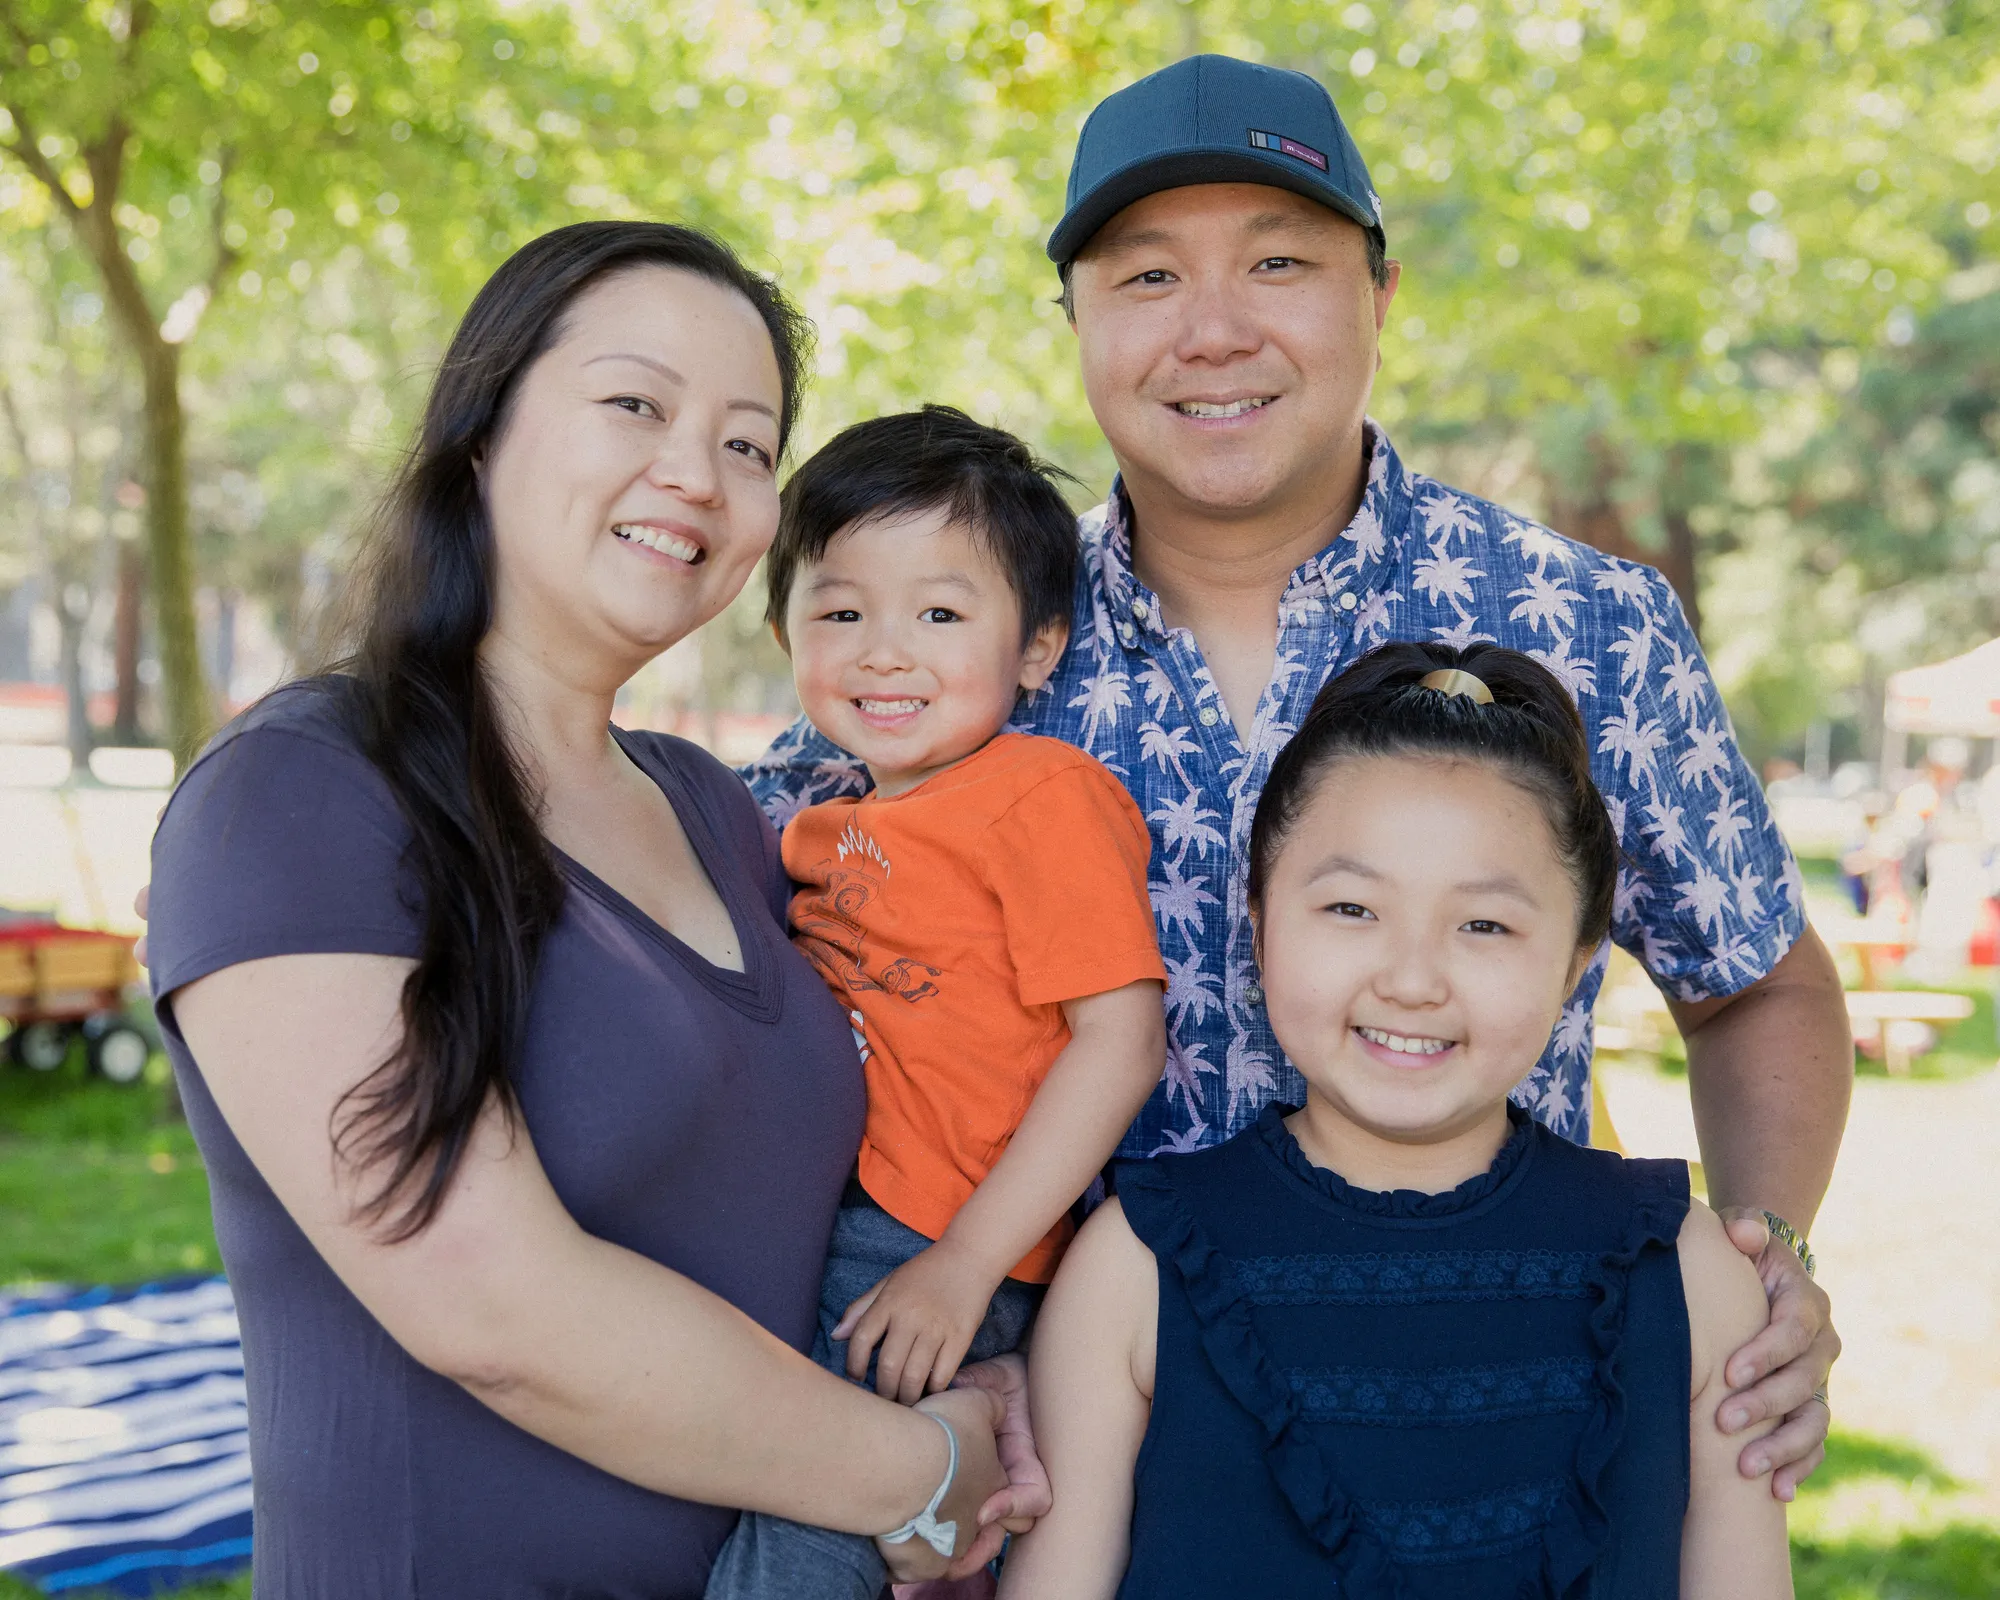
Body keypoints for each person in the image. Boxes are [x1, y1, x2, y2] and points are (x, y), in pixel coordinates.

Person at [747, 53, 1851, 1494]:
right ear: (1074, 318)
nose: (1212, 332)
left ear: (1379, 296)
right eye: (1147, 277)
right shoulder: (944, 652)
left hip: (1494, 1427)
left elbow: (1755, 983)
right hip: (1071, 1462)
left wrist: (1771, 1263)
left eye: (1276, 263)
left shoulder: (1584, 621)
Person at [142, 223, 1041, 1598]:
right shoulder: (304, 790)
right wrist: (916, 1474)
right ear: (481, 433)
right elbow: (490, 1305)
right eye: (635, 403)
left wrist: (986, 1355)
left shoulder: (722, 815)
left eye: (747, 444)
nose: (695, 472)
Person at [998, 643, 1793, 1599]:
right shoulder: (1134, 1266)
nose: (1412, 980)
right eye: (1351, 908)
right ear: (1258, 923)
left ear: (1579, 961)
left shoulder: (1691, 1274)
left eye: (1484, 925)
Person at [706, 407, 1167, 1600]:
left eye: (940, 615)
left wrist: (966, 1262)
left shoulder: (1040, 797)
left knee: (805, 1522)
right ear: (784, 628)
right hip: (819, 1218)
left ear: (1038, 645)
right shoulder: (820, 826)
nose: (883, 653)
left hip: (927, 1232)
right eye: (841, 613)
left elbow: (1120, 1040)